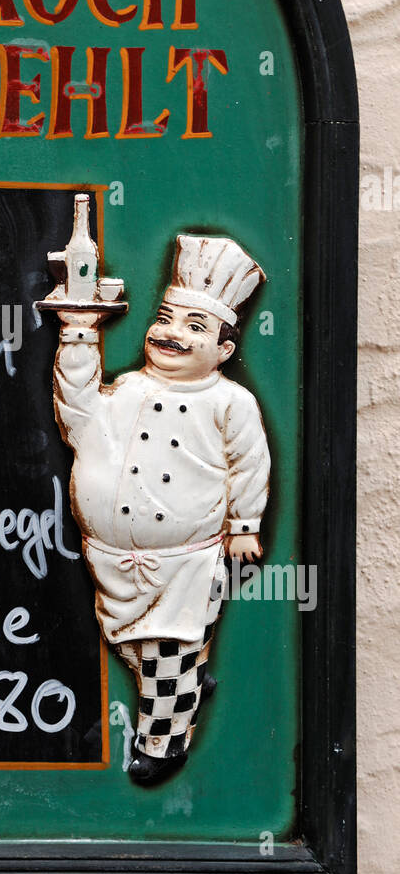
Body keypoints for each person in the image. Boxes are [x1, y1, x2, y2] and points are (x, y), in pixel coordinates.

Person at [53, 233, 270, 784]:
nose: (171, 334)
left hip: (185, 563)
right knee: (131, 643)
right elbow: (78, 413)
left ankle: (163, 743)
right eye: (168, 319)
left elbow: (249, 465)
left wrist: (243, 527)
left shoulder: (230, 402)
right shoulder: (126, 390)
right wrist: (79, 336)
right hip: (114, 560)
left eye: (194, 328)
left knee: (166, 652)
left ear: (224, 349)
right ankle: (186, 681)